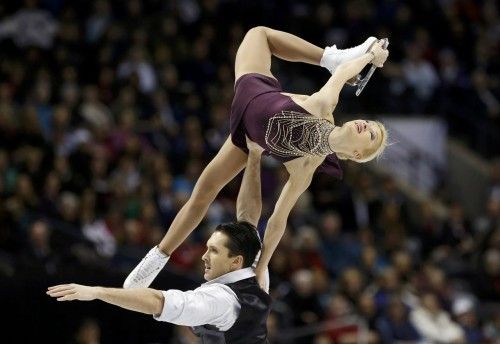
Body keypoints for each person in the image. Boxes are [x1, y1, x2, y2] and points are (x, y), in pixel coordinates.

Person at [124, 26, 390, 289]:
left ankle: (157, 257)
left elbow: (277, 222)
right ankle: (329, 56)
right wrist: (370, 56)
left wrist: (260, 268)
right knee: (259, 34)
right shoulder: (325, 107)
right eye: (370, 123)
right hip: (256, 88)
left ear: (356, 155)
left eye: (372, 136)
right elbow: (344, 72)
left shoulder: (307, 166)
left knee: (203, 193)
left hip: (246, 137)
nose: (367, 126)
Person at [47, 140, 274, 343]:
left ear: (235, 261)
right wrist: (255, 157)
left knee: (202, 194)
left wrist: (96, 292)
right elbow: (249, 217)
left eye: (213, 251)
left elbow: (157, 301)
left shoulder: (220, 300)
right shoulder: (252, 269)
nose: (204, 256)